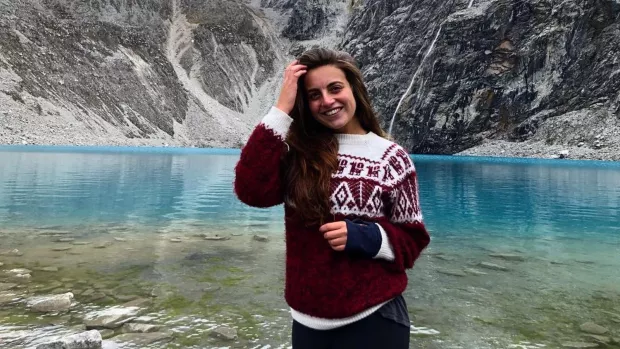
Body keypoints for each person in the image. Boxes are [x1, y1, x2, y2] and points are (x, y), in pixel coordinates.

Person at [233, 47, 430, 349]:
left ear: (354, 88)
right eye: (314, 94)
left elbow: (413, 240)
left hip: (375, 319)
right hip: (307, 322)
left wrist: (367, 237)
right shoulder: (298, 154)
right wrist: (281, 109)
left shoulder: (391, 157)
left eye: (335, 88)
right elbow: (250, 190)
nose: (327, 101)